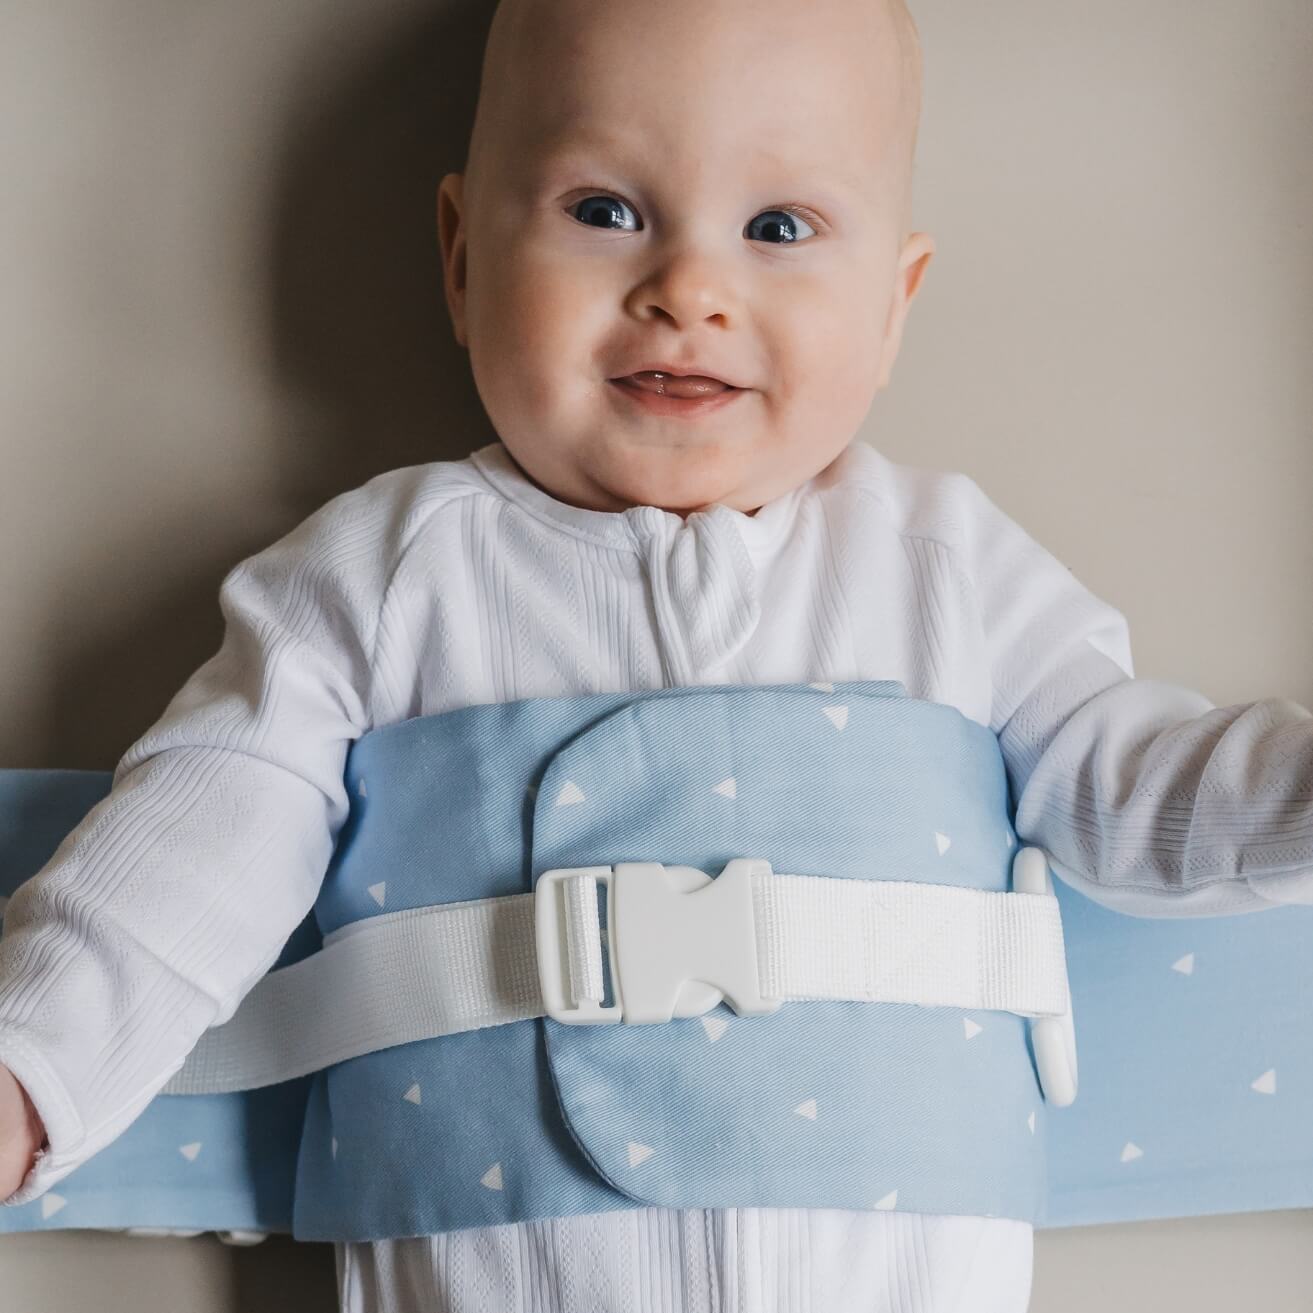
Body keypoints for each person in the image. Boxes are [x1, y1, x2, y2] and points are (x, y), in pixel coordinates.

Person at [2, 0, 1310, 1308]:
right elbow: (193, 846)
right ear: (461, 258)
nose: (688, 287)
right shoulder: (386, 579)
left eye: (779, 228)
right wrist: (30, 1060)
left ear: (891, 301)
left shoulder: (944, 574)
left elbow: (1139, 785)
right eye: (604, 210)